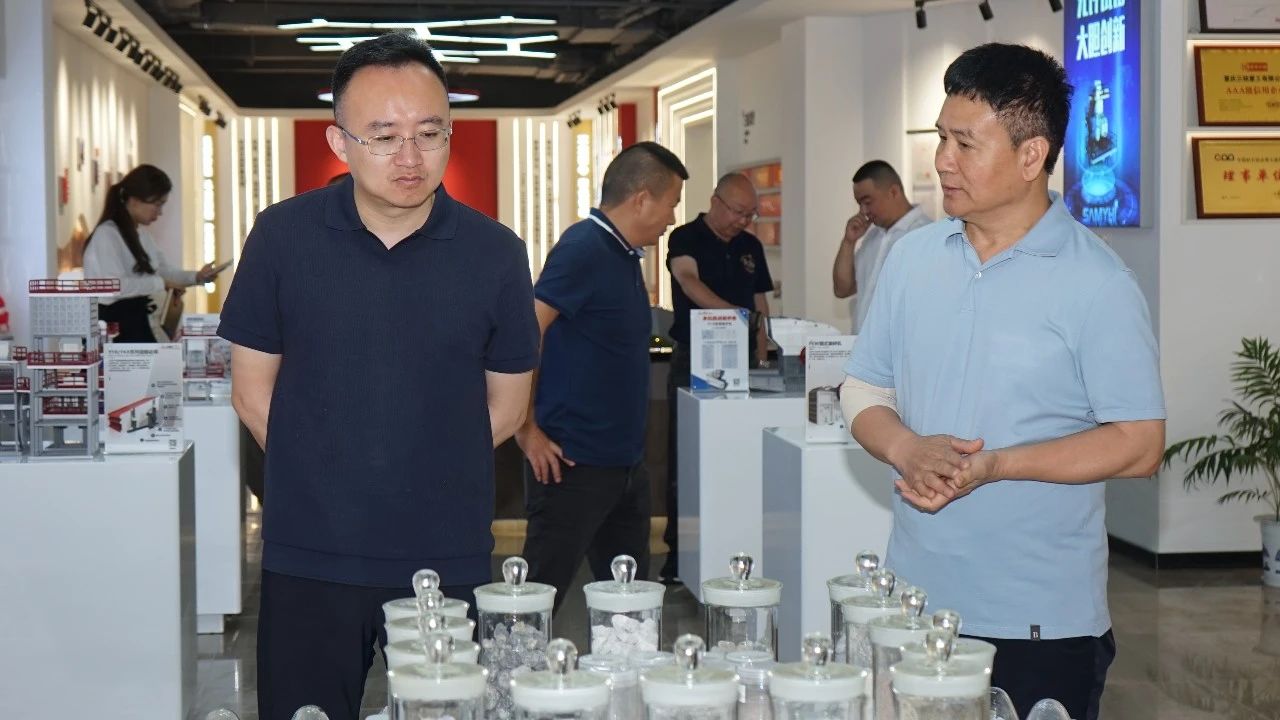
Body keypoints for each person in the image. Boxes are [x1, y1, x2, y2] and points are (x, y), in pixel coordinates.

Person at [217, 33, 539, 720]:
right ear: (340, 143)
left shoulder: (496, 253)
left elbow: (508, 408)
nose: (411, 157)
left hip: (446, 552)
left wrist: (417, 473)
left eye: (430, 133)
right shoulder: (282, 237)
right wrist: (332, 477)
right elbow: (251, 392)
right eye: (385, 136)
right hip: (311, 552)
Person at [839, 43, 1164, 720]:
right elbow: (864, 391)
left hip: (1040, 620)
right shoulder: (912, 259)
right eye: (941, 138)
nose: (942, 161)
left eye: (965, 143)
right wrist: (905, 448)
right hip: (915, 605)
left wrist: (996, 466)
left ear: (1031, 155)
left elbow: (1139, 443)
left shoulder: (1097, 283)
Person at [516, 141, 688, 612]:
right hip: (572, 464)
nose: (672, 217)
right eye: (671, 203)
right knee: (536, 603)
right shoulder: (584, 248)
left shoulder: (622, 254)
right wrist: (526, 428)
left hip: (623, 466)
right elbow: (527, 332)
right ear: (642, 199)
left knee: (630, 609)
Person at [661, 172, 774, 583]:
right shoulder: (686, 237)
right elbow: (687, 281)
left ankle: (734, 545)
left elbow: (760, 301)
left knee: (737, 450)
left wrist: (763, 346)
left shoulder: (750, 246)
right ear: (715, 202)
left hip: (742, 361)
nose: (743, 221)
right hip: (695, 357)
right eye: (738, 212)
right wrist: (736, 316)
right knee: (685, 457)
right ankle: (678, 556)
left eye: (750, 215)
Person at [83, 164, 219, 342]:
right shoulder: (106, 235)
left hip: (135, 321)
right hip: (114, 328)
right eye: (157, 204)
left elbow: (163, 270)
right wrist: (161, 284)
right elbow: (115, 287)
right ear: (134, 200)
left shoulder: (141, 234)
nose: (160, 212)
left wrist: (197, 277)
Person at [830, 160, 931, 334]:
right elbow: (842, 289)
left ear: (893, 192)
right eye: (859, 204)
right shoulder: (872, 237)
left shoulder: (925, 236)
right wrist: (848, 242)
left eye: (867, 202)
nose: (863, 211)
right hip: (861, 345)